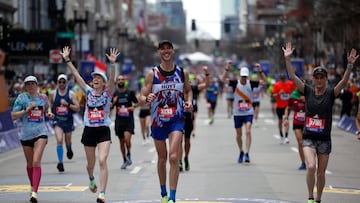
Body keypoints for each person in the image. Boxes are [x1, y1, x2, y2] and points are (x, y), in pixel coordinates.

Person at [283, 42, 358, 203]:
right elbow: (293, 77)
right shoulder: (307, 90)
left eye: (321, 77)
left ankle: (318, 199)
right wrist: (288, 60)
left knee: (321, 173)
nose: (318, 80)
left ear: (325, 79)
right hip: (309, 137)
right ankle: (310, 197)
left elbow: (344, 82)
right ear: (313, 79)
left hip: (324, 139)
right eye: (316, 77)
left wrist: (350, 66)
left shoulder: (331, 93)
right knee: (311, 166)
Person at [61, 46, 119, 203]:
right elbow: (76, 75)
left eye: (99, 78)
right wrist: (67, 60)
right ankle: (91, 178)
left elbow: (112, 80)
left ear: (103, 83)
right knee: (90, 164)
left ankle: (102, 193)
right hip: (89, 130)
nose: (95, 79)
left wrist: (112, 64)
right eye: (94, 78)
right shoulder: (87, 91)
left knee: (102, 160)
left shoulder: (108, 94)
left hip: (103, 131)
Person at [138, 40, 192, 203]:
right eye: (163, 49)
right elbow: (140, 98)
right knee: (162, 158)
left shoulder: (182, 72)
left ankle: (173, 197)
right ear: (158, 52)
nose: (166, 51)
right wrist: (147, 98)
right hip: (158, 121)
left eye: (169, 48)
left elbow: (188, 91)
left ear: (173, 51)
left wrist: (189, 102)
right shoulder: (152, 74)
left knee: (174, 157)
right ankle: (163, 193)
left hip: (177, 120)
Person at [12, 75, 55, 203]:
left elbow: (47, 108)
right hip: (25, 135)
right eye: (28, 84)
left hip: (40, 133)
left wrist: (49, 113)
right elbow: (13, 116)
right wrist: (26, 110)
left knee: (36, 161)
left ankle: (35, 193)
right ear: (25, 86)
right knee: (30, 164)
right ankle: (32, 186)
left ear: (37, 85)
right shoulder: (22, 98)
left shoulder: (43, 97)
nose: (30, 86)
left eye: (32, 83)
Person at [221, 61, 267, 163]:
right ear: (240, 76)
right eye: (242, 76)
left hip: (248, 112)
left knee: (248, 131)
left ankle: (247, 153)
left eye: (245, 77)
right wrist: (227, 68)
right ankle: (241, 151)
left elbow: (265, 81)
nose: (244, 78)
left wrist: (260, 71)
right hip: (237, 113)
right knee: (239, 135)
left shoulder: (251, 83)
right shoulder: (235, 83)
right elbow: (223, 79)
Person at [179, 65, 210, 171]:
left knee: (187, 141)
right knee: (178, 141)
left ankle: (186, 158)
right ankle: (179, 161)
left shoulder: (192, 89)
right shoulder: (175, 89)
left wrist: (206, 74)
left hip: (188, 117)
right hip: (177, 118)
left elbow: (206, 84)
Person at [49, 74, 80, 172]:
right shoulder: (53, 94)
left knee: (67, 140)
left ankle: (69, 148)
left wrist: (68, 104)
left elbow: (77, 107)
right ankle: (60, 163)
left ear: (66, 83)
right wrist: (49, 112)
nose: (62, 84)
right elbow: (49, 105)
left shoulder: (71, 94)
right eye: (60, 82)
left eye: (63, 82)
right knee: (59, 140)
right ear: (57, 83)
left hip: (68, 120)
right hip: (58, 120)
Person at [111, 74, 138, 169]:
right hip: (119, 121)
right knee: (121, 142)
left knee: (127, 139)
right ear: (117, 82)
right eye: (119, 80)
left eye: (122, 79)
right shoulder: (115, 94)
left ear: (125, 81)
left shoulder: (130, 92)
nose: (120, 81)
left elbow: (137, 103)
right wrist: (113, 102)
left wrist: (133, 107)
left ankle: (129, 153)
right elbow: (110, 107)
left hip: (128, 120)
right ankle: (124, 159)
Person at [283, 88, 306, 170]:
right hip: (297, 122)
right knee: (300, 142)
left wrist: (306, 100)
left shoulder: (310, 94)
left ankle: (310, 159)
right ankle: (303, 162)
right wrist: (286, 118)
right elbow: (288, 107)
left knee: (309, 143)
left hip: (308, 123)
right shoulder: (293, 96)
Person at [272, 73, 296, 144]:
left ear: (286, 78)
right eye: (281, 79)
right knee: (280, 121)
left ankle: (286, 137)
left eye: (284, 79)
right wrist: (279, 93)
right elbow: (272, 95)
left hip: (287, 106)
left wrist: (291, 94)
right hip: (279, 106)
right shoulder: (277, 85)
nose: (283, 81)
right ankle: (281, 135)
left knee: (286, 120)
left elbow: (295, 91)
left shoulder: (290, 84)